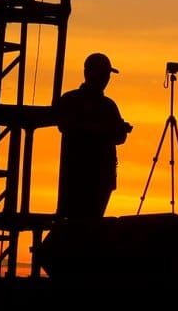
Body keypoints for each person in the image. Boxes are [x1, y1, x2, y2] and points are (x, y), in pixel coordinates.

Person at [53, 52, 133, 220]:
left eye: (106, 75)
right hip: (77, 176)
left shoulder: (107, 105)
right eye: (103, 74)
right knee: (76, 222)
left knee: (90, 222)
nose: (106, 79)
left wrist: (119, 129)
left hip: (101, 177)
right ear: (89, 73)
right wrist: (104, 130)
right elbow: (65, 125)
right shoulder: (72, 100)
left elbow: (120, 138)